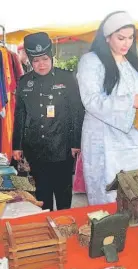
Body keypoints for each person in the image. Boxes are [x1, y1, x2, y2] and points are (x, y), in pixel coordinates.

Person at [77, 11, 138, 205]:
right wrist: (130, 101)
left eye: (130, 38)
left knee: (133, 192)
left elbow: (137, 96)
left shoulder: (131, 62)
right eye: (121, 38)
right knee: (107, 194)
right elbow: (91, 100)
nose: (126, 43)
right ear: (107, 37)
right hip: (104, 140)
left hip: (131, 140)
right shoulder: (91, 61)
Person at [12, 32, 84, 211]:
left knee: (63, 194)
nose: (41, 64)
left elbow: (77, 112)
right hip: (35, 148)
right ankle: (48, 230)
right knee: (42, 196)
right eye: (35, 60)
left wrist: (76, 142)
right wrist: (17, 145)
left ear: (51, 56)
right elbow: (20, 114)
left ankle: (64, 225)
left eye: (44, 58)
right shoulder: (24, 82)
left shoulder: (66, 78)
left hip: (63, 147)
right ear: (29, 60)